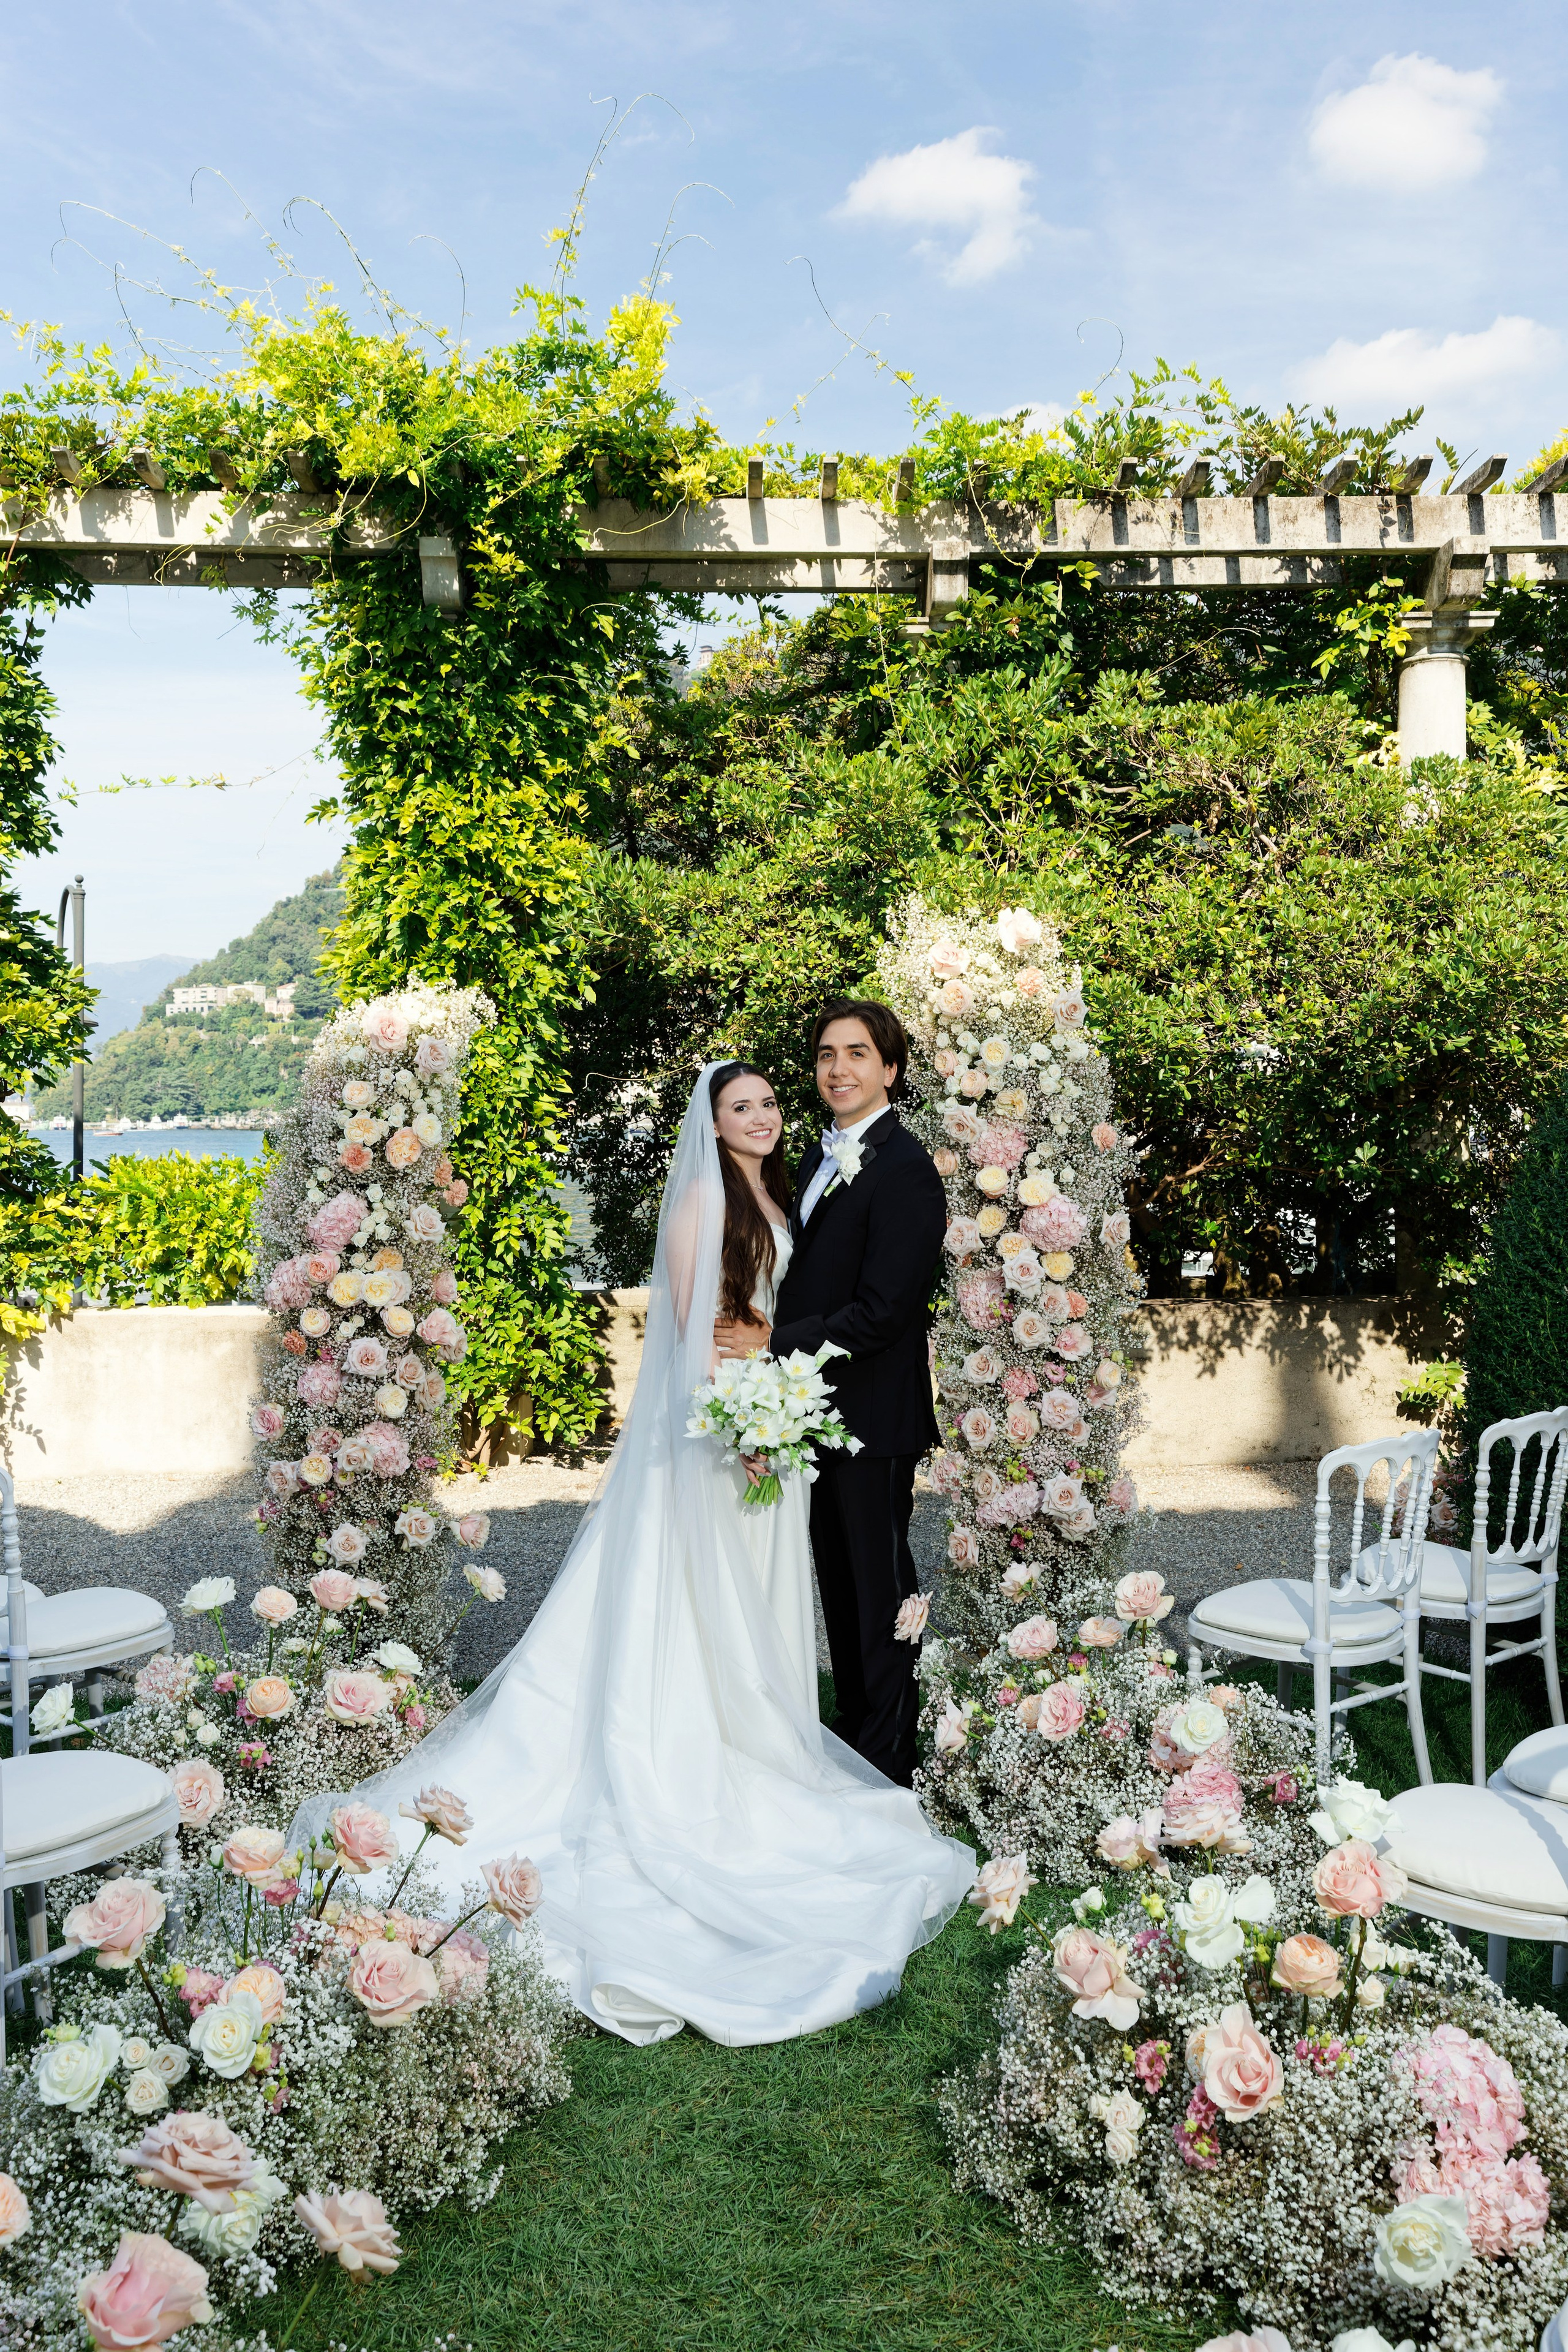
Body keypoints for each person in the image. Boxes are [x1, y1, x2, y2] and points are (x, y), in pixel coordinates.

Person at [293, 1058, 973, 2049]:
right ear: (712, 1122)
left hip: (773, 1432)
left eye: (768, 1104)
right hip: (727, 1438)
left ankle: (769, 1747)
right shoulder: (706, 1199)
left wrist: (775, 1397)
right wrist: (744, 1416)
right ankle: (706, 1759)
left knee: (768, 1602)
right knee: (699, 1608)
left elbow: (801, 1312)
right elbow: (698, 1336)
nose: (764, 1117)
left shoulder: (786, 1189)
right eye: (742, 1108)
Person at [714, 1001, 946, 1788]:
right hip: (818, 1417)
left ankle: (888, 1770)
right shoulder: (817, 1160)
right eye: (824, 1055)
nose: (837, 1068)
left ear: (890, 1068)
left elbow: (885, 1312)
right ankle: (858, 1746)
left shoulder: (907, 1169)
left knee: (878, 1597)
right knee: (842, 1596)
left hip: (874, 1421)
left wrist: (772, 1344)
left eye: (856, 1053)